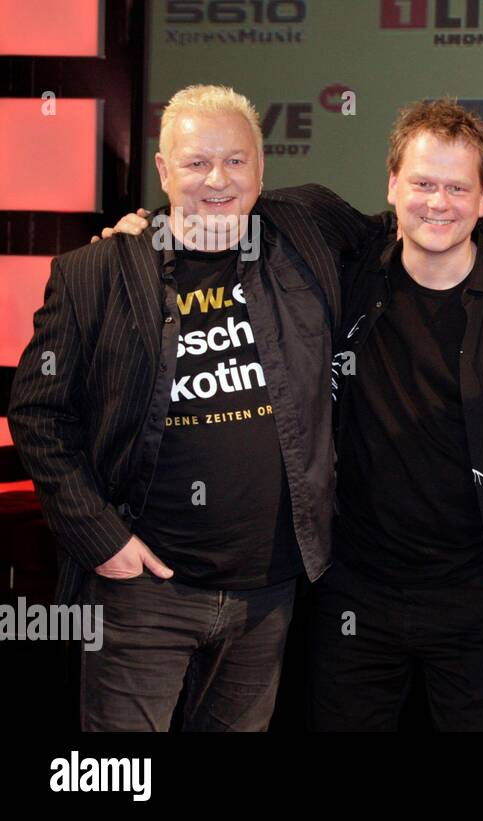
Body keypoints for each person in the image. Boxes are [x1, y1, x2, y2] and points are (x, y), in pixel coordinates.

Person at [7, 85, 378, 731]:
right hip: (142, 590)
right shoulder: (96, 273)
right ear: (162, 168)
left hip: (269, 589)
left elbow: (413, 231)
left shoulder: (306, 226)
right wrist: (102, 538)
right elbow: (38, 412)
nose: (217, 180)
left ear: (263, 167)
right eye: (196, 162)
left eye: (236, 161)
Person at [306, 99, 483, 731]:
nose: (438, 203)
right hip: (355, 590)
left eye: (457, 187)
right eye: (422, 183)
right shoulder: (347, 277)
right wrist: (147, 227)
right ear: (392, 184)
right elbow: (254, 210)